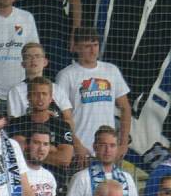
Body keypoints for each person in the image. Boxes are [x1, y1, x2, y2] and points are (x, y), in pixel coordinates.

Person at [56, 27, 131, 158]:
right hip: (79, 151)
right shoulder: (66, 75)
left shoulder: (111, 70)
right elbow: (61, 117)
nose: (93, 50)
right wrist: (76, 145)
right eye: (87, 46)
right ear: (77, 47)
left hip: (107, 150)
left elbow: (125, 108)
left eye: (95, 45)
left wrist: (123, 144)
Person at [10, 78, 75, 196]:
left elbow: (65, 159)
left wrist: (31, 151)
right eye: (36, 94)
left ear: (51, 98)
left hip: (53, 189)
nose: (40, 98)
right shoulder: (16, 123)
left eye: (44, 94)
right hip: (22, 187)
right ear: (28, 97)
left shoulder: (61, 125)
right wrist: (51, 149)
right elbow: (15, 153)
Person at [63, 125, 140, 196]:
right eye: (103, 145)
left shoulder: (127, 178)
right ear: (95, 147)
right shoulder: (81, 178)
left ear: (117, 148)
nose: (108, 150)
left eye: (112, 145)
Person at [7, 41, 73, 124]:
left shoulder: (57, 88)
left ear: (45, 62)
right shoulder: (15, 91)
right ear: (23, 64)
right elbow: (14, 122)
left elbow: (68, 119)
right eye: (28, 57)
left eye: (37, 56)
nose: (33, 60)